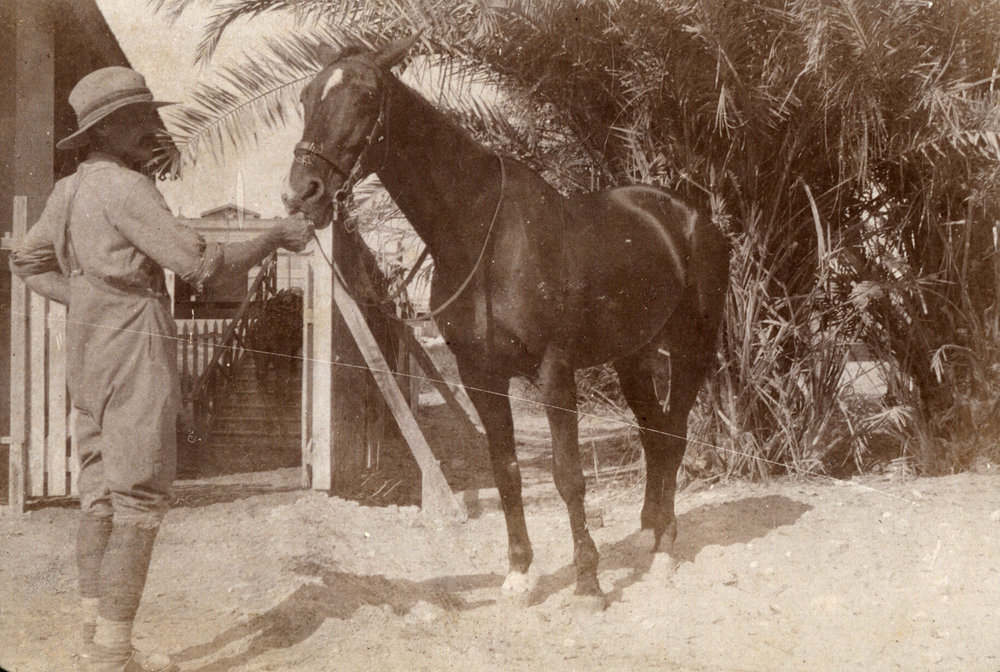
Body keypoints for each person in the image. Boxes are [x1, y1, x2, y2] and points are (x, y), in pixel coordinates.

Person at [9, 66, 313, 672]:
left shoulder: (68, 190)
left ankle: (93, 640)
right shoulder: (126, 188)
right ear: (108, 130)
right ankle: (114, 658)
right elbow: (201, 266)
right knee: (141, 504)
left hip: (89, 359)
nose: (153, 129)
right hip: (135, 354)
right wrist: (277, 234)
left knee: (98, 498)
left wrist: (89, 300)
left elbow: (24, 260)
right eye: (140, 119)